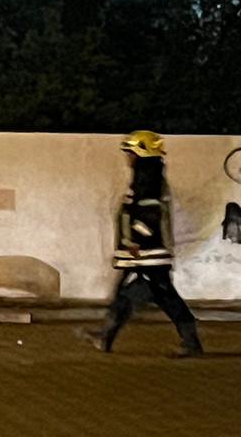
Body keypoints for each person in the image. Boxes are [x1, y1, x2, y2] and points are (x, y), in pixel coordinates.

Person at [85, 130, 203, 357]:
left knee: (157, 295)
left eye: (130, 152)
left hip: (148, 252)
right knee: (138, 293)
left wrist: (137, 240)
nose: (127, 157)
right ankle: (105, 335)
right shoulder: (146, 174)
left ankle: (191, 342)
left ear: (141, 151)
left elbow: (149, 212)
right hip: (144, 252)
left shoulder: (148, 176)